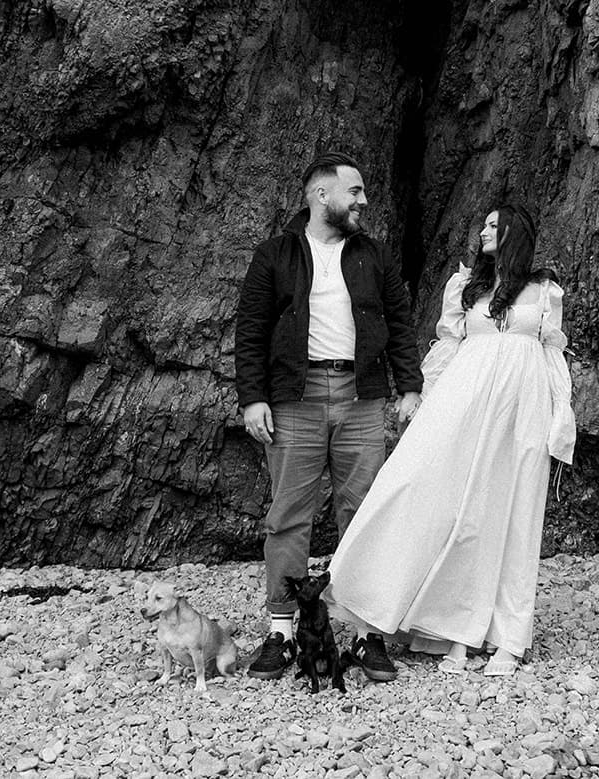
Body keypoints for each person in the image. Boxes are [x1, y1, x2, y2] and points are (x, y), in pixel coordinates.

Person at [327, 204, 575, 677]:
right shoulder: (466, 287)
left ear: (514, 233)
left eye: (493, 225)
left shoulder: (545, 291)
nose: (482, 231)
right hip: (464, 406)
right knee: (450, 505)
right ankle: (452, 628)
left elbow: (552, 354)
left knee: (515, 513)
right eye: (482, 223)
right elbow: (447, 348)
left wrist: (559, 420)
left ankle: (508, 638)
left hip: (521, 410)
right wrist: (427, 406)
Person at [234, 151, 424, 682]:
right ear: (322, 195)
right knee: (288, 514)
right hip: (294, 397)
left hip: (362, 396)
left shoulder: (375, 256)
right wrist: (253, 397)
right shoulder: (274, 255)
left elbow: (400, 323)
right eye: (354, 192)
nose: (363, 201)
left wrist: (409, 386)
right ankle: (282, 633)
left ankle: (367, 635)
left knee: (363, 513)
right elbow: (250, 328)